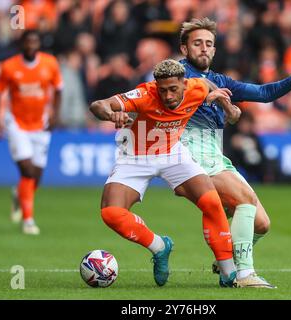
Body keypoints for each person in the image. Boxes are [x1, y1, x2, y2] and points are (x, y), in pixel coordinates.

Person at [178, 17, 291, 288]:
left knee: (261, 224)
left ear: (214, 50)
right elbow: (165, 97)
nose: (204, 48)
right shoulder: (177, 77)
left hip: (214, 157)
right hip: (190, 157)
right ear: (184, 49)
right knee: (246, 200)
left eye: (209, 44)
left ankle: (227, 259)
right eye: (197, 43)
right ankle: (244, 274)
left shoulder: (218, 80)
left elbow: (263, 92)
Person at [89, 59, 243, 287]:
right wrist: (112, 115)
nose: (168, 96)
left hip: (173, 152)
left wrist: (222, 99)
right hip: (135, 155)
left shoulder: (197, 87)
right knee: (111, 213)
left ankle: (228, 273)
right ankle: (160, 246)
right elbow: (98, 105)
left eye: (173, 89)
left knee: (211, 201)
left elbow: (207, 85)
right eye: (163, 91)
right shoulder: (144, 94)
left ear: (184, 83)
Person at [0, 29, 63, 235]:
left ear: (39, 44)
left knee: (36, 177)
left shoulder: (50, 63)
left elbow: (59, 89)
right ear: (22, 44)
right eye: (28, 42)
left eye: (35, 41)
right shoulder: (9, 66)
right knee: (28, 170)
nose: (31, 45)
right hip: (16, 123)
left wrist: (56, 115)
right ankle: (28, 220)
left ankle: (18, 194)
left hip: (41, 124)